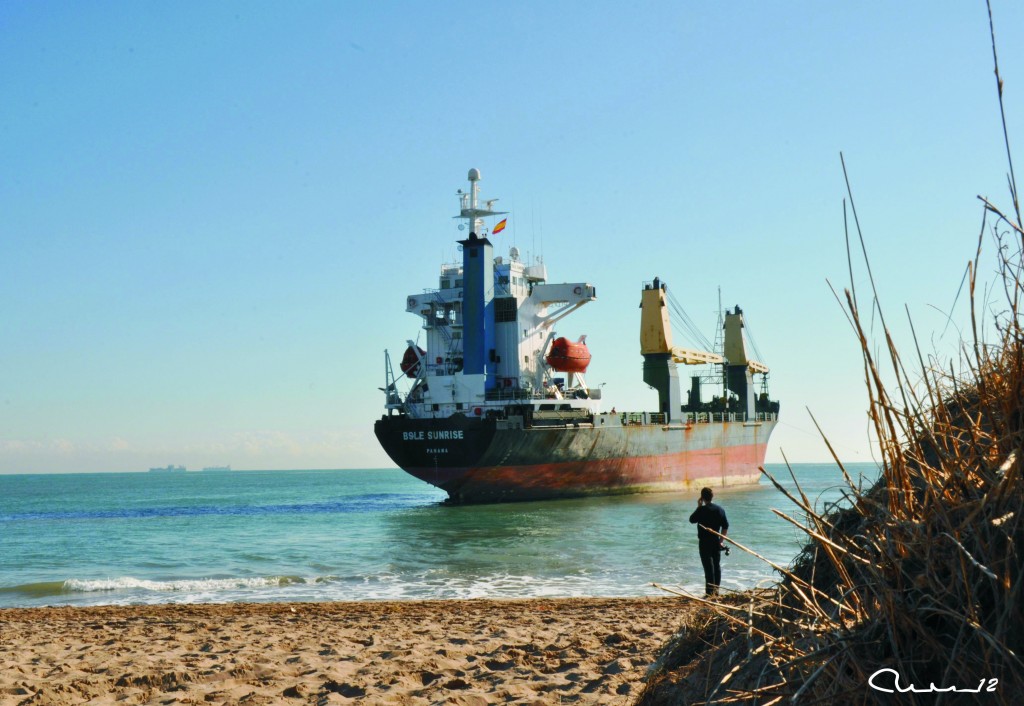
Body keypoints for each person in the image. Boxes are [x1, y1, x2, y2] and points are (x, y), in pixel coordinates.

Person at [689, 487, 729, 596]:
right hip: (716, 541)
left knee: (708, 568)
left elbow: (691, 520)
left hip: (704, 542)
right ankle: (716, 591)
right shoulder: (720, 510)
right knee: (716, 566)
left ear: (702, 498)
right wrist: (721, 541)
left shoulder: (701, 510)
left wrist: (698, 506)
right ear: (713, 496)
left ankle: (709, 593)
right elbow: (725, 527)